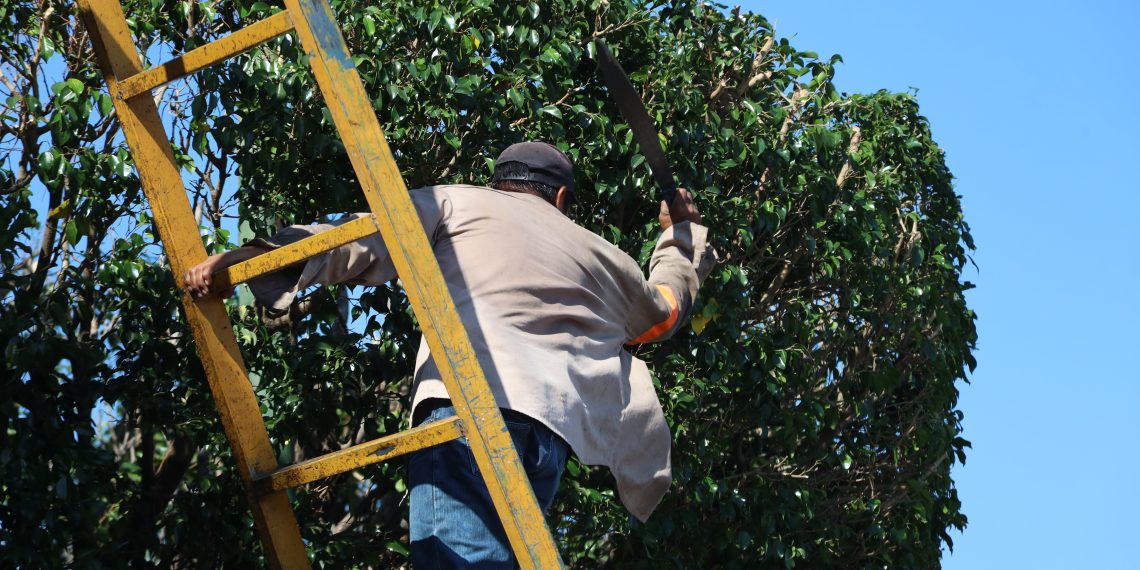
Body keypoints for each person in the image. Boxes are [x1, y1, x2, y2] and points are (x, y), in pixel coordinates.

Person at [184, 141, 715, 568]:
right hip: (551, 438)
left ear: (500, 184)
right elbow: (664, 313)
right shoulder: (604, 256)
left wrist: (248, 261)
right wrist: (678, 238)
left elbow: (353, 239)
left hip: (468, 407)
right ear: (559, 200)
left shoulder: (459, 201)